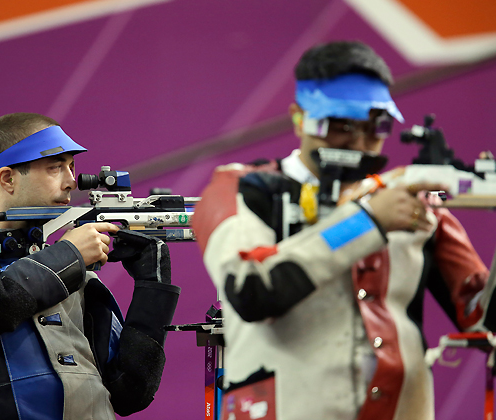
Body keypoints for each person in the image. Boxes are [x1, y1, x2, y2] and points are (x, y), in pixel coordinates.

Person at [192, 41, 493, 420]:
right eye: (339, 126)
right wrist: (366, 221)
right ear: (299, 117)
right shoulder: (239, 189)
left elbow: (483, 316)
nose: (358, 142)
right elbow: (252, 290)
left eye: (374, 127)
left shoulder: (411, 203)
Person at [0, 113, 181, 419]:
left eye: (72, 167)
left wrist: (152, 287)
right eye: (56, 167)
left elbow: (130, 392)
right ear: (7, 179)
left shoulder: (71, 270)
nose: (72, 181)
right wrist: (70, 253)